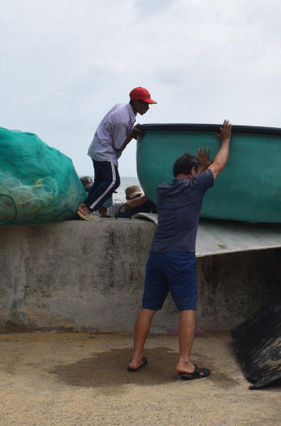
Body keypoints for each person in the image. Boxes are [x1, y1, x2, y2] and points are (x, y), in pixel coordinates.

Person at [127, 120, 232, 380]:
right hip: (180, 257)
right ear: (193, 171)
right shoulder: (195, 186)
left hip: (157, 256)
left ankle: (136, 358)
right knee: (187, 308)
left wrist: (201, 169)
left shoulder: (163, 189)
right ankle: (184, 363)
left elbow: (203, 175)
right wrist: (226, 141)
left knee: (147, 307)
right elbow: (219, 166)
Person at [77, 87, 156, 221]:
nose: (148, 107)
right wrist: (132, 134)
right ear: (136, 102)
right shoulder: (122, 119)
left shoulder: (123, 108)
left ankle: (100, 209)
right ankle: (86, 208)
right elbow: (118, 145)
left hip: (97, 148)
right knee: (113, 181)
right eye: (145, 103)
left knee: (100, 182)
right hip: (105, 152)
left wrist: (131, 131)